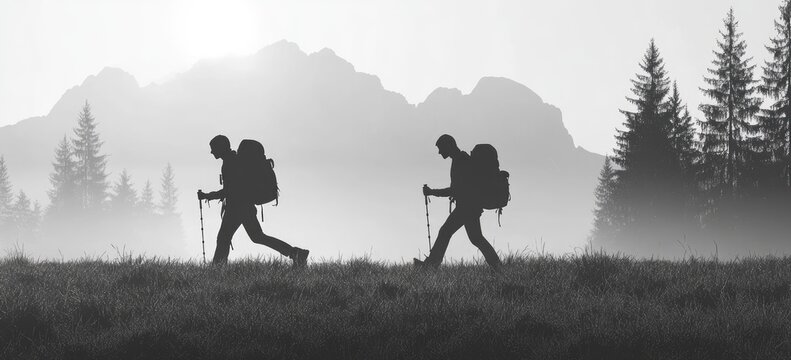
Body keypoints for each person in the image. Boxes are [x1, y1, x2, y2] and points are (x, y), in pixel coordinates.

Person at [198, 135, 309, 266]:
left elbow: (230, 190)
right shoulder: (233, 160)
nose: (212, 152)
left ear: (221, 147)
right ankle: (296, 253)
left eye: (213, 148)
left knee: (224, 238)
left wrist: (207, 196)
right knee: (257, 237)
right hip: (244, 207)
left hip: (237, 208)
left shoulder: (230, 163)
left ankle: (217, 269)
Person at [416, 134, 502, 270]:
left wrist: (433, 192)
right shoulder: (460, 159)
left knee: (445, 232)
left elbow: (455, 190)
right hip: (470, 207)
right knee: (476, 238)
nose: (439, 152)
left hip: (467, 208)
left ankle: (430, 266)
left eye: (440, 148)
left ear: (449, 145)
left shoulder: (461, 161)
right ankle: (498, 267)